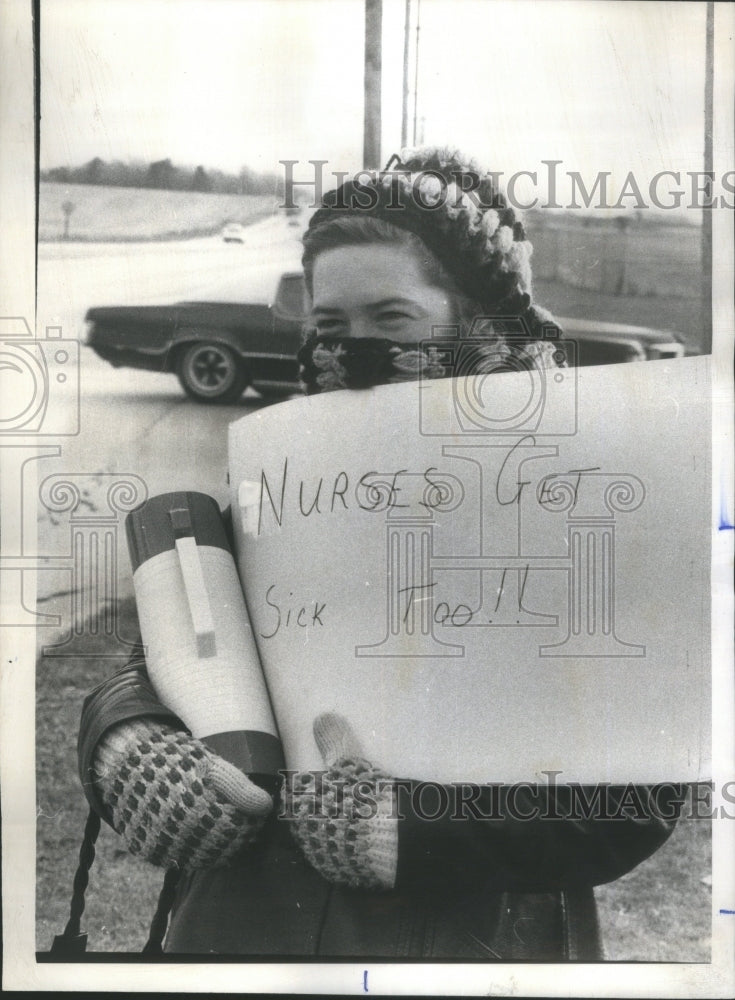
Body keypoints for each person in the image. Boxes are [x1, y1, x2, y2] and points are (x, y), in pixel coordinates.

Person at [77, 149, 681, 959]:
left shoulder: (572, 503)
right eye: (330, 326)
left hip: (476, 942)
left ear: (477, 321)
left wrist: (408, 831)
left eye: (391, 319)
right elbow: (165, 650)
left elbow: (639, 797)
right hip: (243, 932)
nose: (352, 350)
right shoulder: (282, 484)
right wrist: (128, 740)